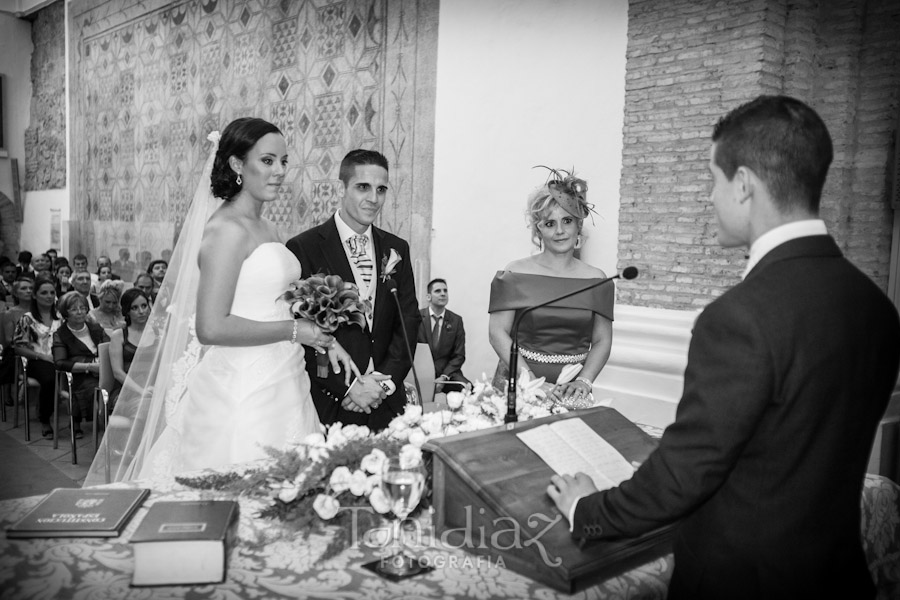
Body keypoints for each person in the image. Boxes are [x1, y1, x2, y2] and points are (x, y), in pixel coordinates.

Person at [547, 96, 900, 600]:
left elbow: (684, 475)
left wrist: (588, 509)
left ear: (743, 184)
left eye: (713, 180)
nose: (709, 198)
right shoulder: (875, 306)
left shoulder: (739, 317)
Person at [85, 118, 358, 485]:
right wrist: (297, 331)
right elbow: (211, 327)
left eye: (283, 161)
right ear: (236, 165)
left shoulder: (267, 228)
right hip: (243, 386)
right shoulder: (226, 230)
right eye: (267, 161)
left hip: (285, 376)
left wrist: (325, 337)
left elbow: (273, 302)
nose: (279, 171)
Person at [287, 149, 421, 432]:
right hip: (331, 401)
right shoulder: (305, 247)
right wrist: (349, 389)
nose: (373, 199)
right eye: (363, 187)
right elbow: (300, 330)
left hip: (385, 401)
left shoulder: (397, 249)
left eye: (381, 189)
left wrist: (384, 383)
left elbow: (408, 320)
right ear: (341, 188)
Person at [488, 168, 613, 408]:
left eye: (567, 221)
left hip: (571, 389)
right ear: (538, 230)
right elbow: (497, 333)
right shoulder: (514, 274)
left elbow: (602, 340)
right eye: (549, 223)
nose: (559, 231)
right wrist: (530, 382)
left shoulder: (597, 279)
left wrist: (585, 381)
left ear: (578, 225)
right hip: (519, 384)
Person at [52, 292, 109, 438]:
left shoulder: (95, 328)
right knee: (95, 388)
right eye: (74, 309)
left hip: (102, 371)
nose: (80, 312)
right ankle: (99, 423)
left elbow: (108, 348)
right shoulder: (60, 334)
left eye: (83, 308)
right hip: (76, 376)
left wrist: (102, 365)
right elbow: (60, 363)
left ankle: (113, 422)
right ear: (65, 312)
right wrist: (89, 367)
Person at [12, 275, 61, 438]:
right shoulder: (27, 319)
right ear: (35, 295)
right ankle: (45, 419)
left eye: (52, 292)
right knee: (49, 378)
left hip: (60, 359)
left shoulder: (61, 317)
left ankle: (76, 420)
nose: (49, 296)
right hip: (36, 361)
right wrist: (42, 356)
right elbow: (18, 348)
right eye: (44, 293)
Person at [417, 278, 470, 393]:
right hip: (421, 372)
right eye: (437, 291)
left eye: (445, 291)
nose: (443, 294)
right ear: (428, 297)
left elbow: (459, 355)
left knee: (470, 391)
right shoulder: (417, 318)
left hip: (448, 373)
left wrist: (444, 376)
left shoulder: (456, 321)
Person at [107, 288, 152, 408]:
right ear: (127, 311)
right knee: (145, 406)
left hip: (152, 387)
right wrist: (141, 391)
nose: (141, 311)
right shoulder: (119, 335)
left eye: (144, 306)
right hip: (125, 390)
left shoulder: (160, 335)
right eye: (135, 308)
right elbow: (118, 373)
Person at [0, 277, 34, 405]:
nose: (28, 291)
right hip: (19, 350)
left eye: (31, 288)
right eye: (24, 288)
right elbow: (9, 340)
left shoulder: (40, 310)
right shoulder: (10, 313)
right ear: (15, 293)